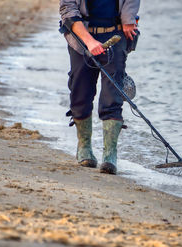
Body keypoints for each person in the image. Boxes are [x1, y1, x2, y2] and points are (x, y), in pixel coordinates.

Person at [59, 0, 140, 174]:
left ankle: (110, 155)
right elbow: (68, 10)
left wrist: (128, 19)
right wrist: (89, 42)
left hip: (116, 36)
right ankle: (84, 147)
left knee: (113, 95)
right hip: (81, 38)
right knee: (80, 92)